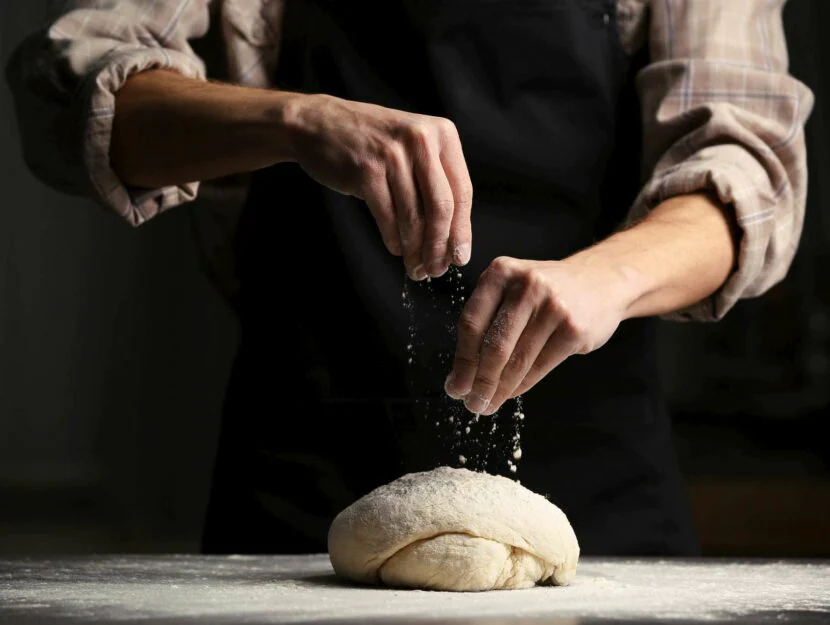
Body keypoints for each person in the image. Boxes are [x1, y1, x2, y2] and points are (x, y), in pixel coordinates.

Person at [6, 0, 812, 556]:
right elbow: (65, 98)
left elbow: (746, 162)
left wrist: (611, 277)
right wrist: (294, 119)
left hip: (596, 478)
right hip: (303, 474)